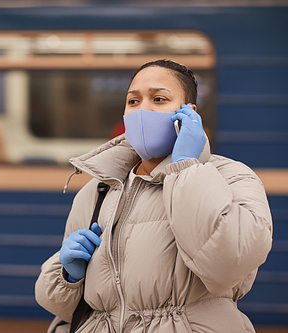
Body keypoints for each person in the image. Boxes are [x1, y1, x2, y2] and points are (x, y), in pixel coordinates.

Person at [35, 59, 273, 333]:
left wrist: (185, 168)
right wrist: (68, 277)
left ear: (189, 113)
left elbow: (228, 266)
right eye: (133, 101)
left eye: (159, 99)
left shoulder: (232, 177)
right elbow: (64, 309)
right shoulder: (98, 189)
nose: (142, 110)